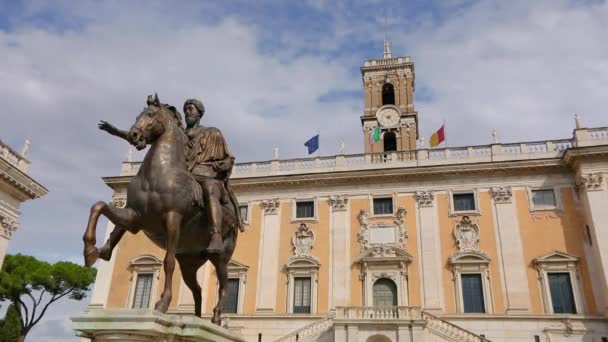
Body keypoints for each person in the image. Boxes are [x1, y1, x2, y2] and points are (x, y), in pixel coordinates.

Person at [183, 99, 243, 253]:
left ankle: (216, 234)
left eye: (191, 109)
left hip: (208, 176)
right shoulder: (179, 136)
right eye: (186, 110)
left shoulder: (213, 133)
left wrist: (222, 165)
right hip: (185, 175)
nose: (188, 112)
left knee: (210, 190)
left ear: (199, 113)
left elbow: (229, 159)